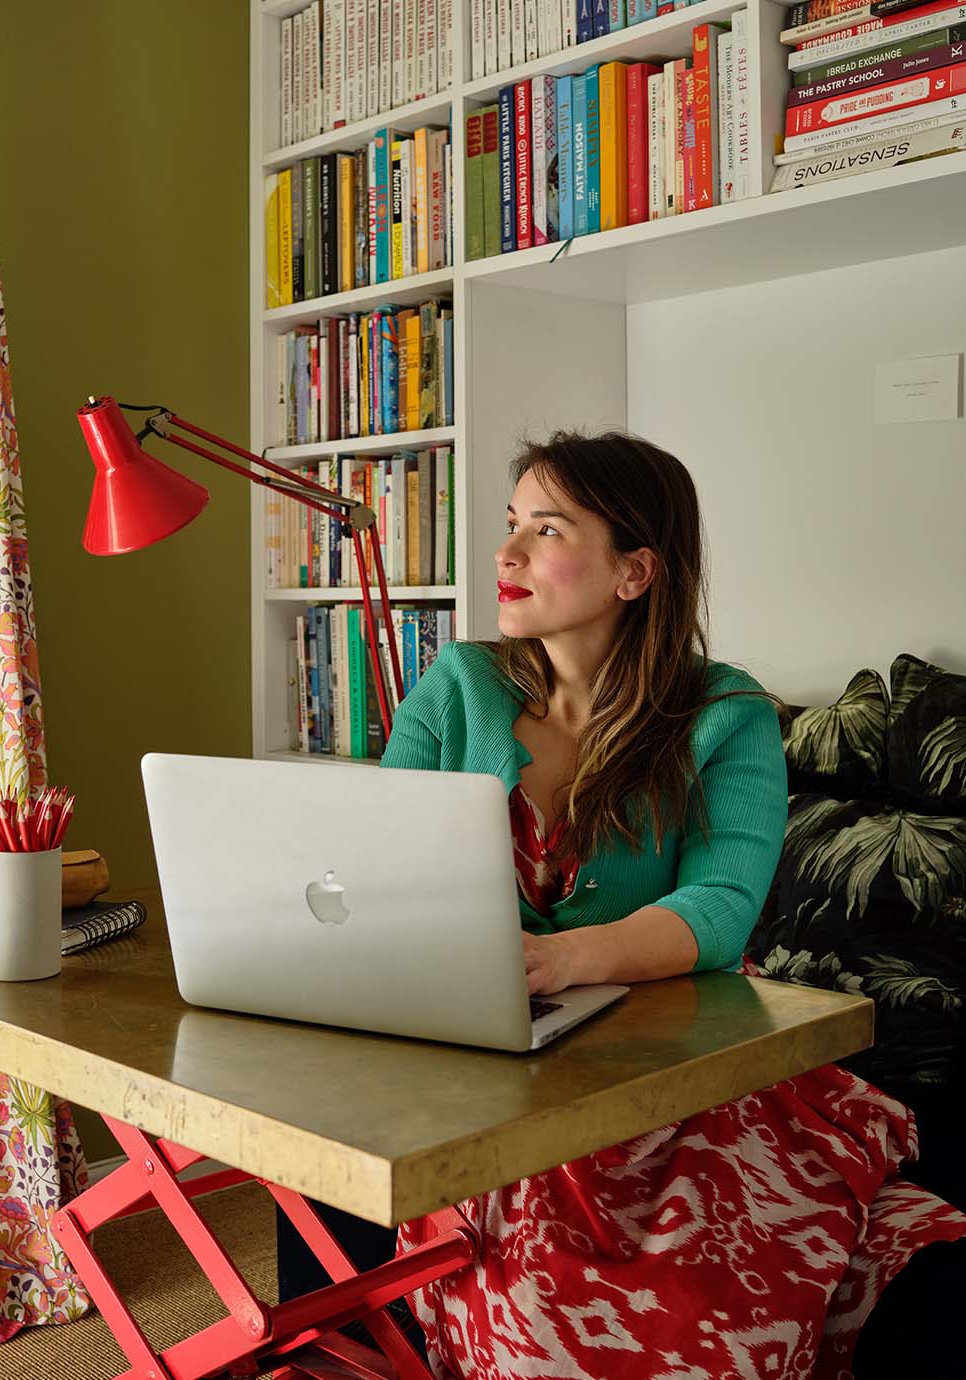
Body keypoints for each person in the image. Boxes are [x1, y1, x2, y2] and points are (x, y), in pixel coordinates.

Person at [277, 430, 966, 1378]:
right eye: (510, 524)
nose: (505, 554)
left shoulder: (726, 716)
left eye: (545, 529)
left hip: (673, 1073)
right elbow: (374, 862)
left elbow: (721, 907)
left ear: (635, 571)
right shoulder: (457, 687)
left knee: (672, 1310)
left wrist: (562, 957)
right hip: (475, 1063)